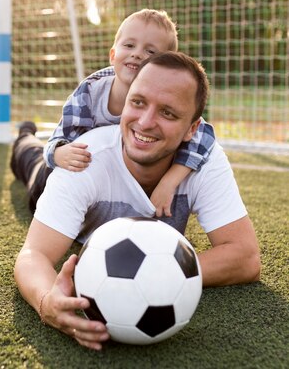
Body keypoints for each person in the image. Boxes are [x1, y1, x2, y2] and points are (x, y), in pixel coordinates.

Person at [13, 51, 261, 351]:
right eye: (138, 102)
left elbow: (246, 258)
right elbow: (33, 255)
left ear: (192, 130)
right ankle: (24, 136)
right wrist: (45, 301)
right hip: (48, 178)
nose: (144, 122)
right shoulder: (84, 159)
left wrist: (160, 274)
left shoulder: (204, 163)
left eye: (168, 113)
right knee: (30, 160)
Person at [12, 9, 216, 216]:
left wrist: (169, 181)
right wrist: (57, 153)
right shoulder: (90, 93)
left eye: (151, 52)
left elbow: (204, 136)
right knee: (31, 160)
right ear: (112, 55)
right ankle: (25, 135)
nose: (137, 53)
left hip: (107, 190)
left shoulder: (171, 104)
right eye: (129, 45)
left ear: (164, 67)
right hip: (57, 178)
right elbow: (61, 137)